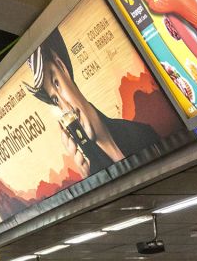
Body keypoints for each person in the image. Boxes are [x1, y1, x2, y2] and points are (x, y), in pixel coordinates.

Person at [23, 24, 166, 178]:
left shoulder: (141, 132)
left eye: (56, 83)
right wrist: (91, 181)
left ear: (61, 66)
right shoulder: (92, 170)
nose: (66, 107)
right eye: (55, 99)